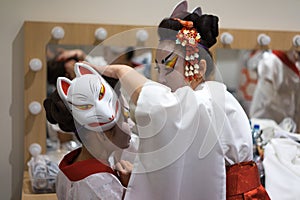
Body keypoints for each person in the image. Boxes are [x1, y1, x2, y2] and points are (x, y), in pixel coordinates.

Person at [86, 1, 270, 199]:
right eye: (158, 69)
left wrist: (123, 71)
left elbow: (163, 107)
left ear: (198, 68)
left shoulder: (211, 100)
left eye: (169, 67)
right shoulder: (199, 101)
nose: (162, 80)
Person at [43, 63, 134, 199]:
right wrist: (132, 190)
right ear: (102, 133)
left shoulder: (66, 169)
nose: (132, 124)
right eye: (126, 118)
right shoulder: (102, 186)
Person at [250, 49, 300, 133]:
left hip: (286, 124)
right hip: (266, 121)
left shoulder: (295, 65)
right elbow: (266, 101)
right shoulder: (272, 62)